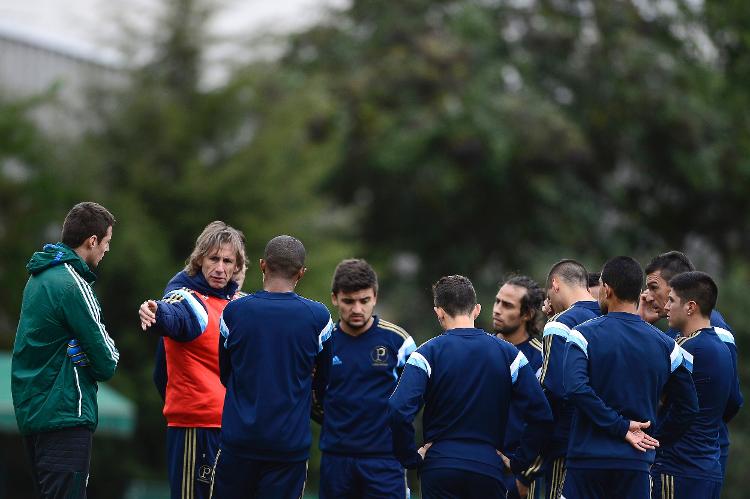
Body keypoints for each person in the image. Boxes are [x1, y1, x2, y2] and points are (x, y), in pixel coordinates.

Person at [388, 275, 552, 499]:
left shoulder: (426, 353)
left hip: (440, 465)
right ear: (476, 310)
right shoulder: (509, 354)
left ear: (439, 312)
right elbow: (541, 414)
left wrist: (411, 458)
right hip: (488, 466)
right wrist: (518, 461)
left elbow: (398, 409)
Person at [562, 256, 699, 499]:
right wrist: (653, 439)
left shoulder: (581, 335)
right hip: (634, 463)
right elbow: (688, 407)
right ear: (639, 292)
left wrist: (620, 426)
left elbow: (575, 388)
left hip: (587, 461)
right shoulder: (668, 346)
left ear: (606, 290)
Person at [212, 235, 333, 498]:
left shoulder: (234, 312)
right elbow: (324, 381)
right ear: (301, 273)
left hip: (238, 441)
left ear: (263, 265)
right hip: (288, 447)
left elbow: (225, 373)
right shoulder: (318, 317)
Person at [12, 201, 119, 498]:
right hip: (65, 413)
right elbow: (107, 360)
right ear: (92, 241)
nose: (107, 250)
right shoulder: (73, 283)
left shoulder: (38, 276)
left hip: (34, 414)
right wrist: (87, 353)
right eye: (107, 242)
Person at [138, 221, 246, 499]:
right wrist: (155, 311)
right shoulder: (188, 299)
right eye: (213, 259)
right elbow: (173, 314)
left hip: (233, 428)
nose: (220, 268)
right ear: (199, 260)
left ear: (237, 267)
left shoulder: (238, 304)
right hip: (196, 428)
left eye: (227, 261)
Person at [316, 259, 415, 499]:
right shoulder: (321, 342)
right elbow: (311, 395)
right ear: (335, 298)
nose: (357, 309)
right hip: (336, 459)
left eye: (364, 301)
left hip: (385, 460)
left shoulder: (400, 342)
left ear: (375, 298)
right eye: (349, 301)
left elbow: (415, 397)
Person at [641, 250, 742, 475]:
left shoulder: (713, 333)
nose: (647, 296)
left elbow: (731, 399)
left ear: (677, 288)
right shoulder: (677, 332)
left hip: (689, 454)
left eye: (654, 288)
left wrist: (698, 428)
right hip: (686, 452)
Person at [535, 259, 601, 499]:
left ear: (555, 284)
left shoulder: (559, 324)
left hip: (567, 445)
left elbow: (554, 388)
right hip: (611, 443)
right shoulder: (609, 315)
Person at [491, 275, 544, 499]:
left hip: (517, 474)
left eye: (507, 305)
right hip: (478, 466)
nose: (497, 309)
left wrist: (525, 477)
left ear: (527, 314)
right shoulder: (482, 348)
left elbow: (548, 422)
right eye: (497, 301)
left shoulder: (542, 358)